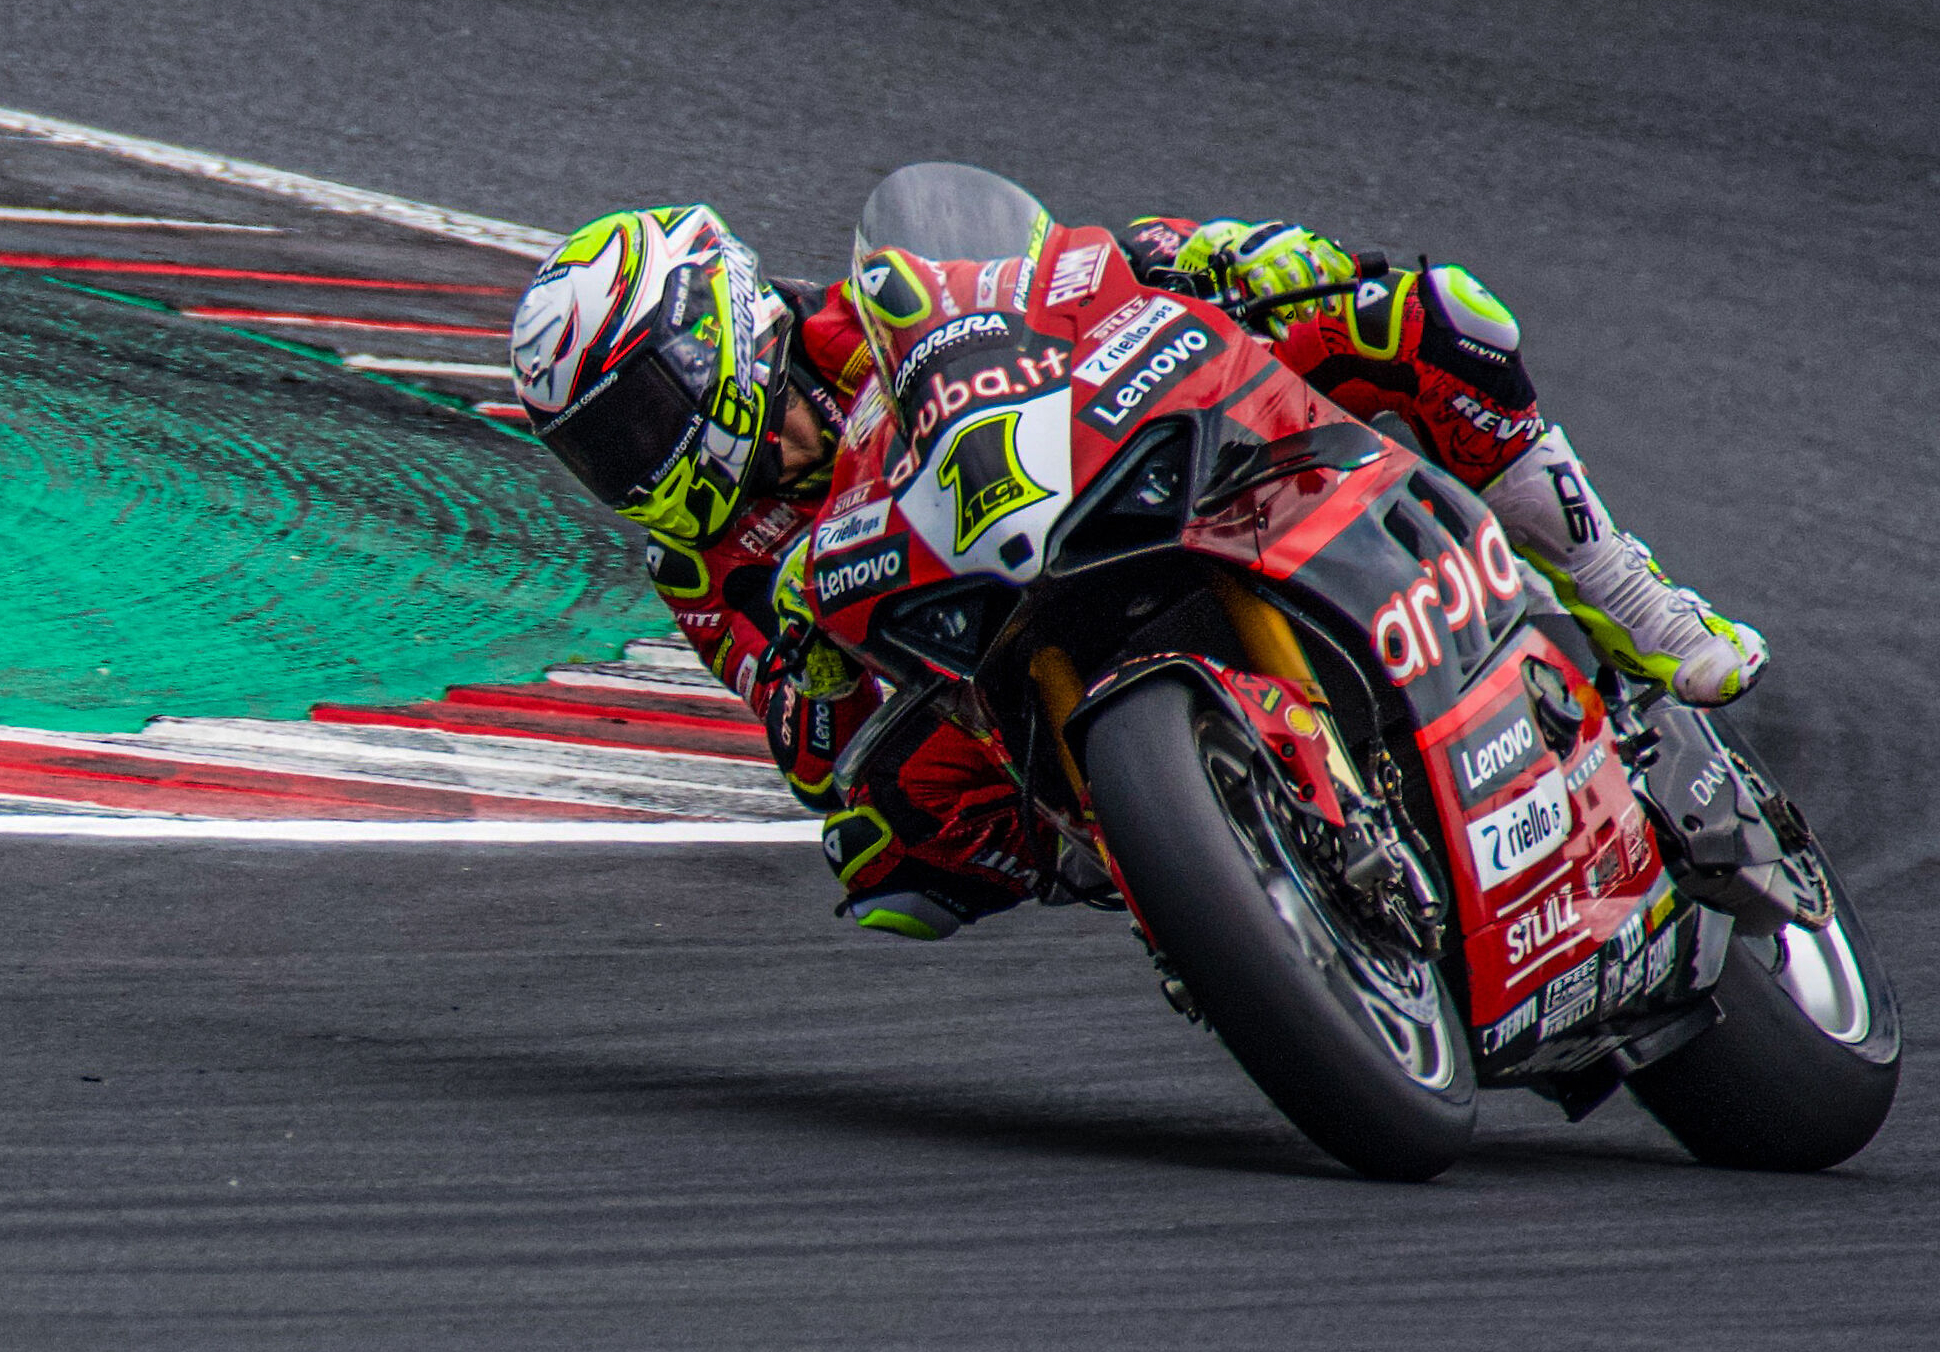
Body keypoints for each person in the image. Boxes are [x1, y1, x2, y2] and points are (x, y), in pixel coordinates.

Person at [507, 197, 1765, 939]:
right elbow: (806, 749)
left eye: (641, 413)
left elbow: (1071, 270)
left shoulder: (871, 309)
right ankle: (1171, 860)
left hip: (1129, 477)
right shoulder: (703, 567)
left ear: (717, 330)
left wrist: (1217, 256)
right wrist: (813, 676)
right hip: (986, 652)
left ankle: (1625, 594)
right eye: (599, 452)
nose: (636, 461)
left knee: (1422, 315)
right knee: (885, 837)